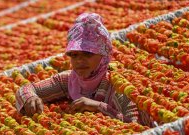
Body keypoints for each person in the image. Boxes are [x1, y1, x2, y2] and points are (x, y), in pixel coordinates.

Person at [15, 13, 152, 126]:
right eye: (74, 55)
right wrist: (30, 98)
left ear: (103, 56)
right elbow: (26, 89)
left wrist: (99, 106)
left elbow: (137, 124)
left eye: (88, 54)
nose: (80, 61)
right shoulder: (69, 80)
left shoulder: (119, 86)